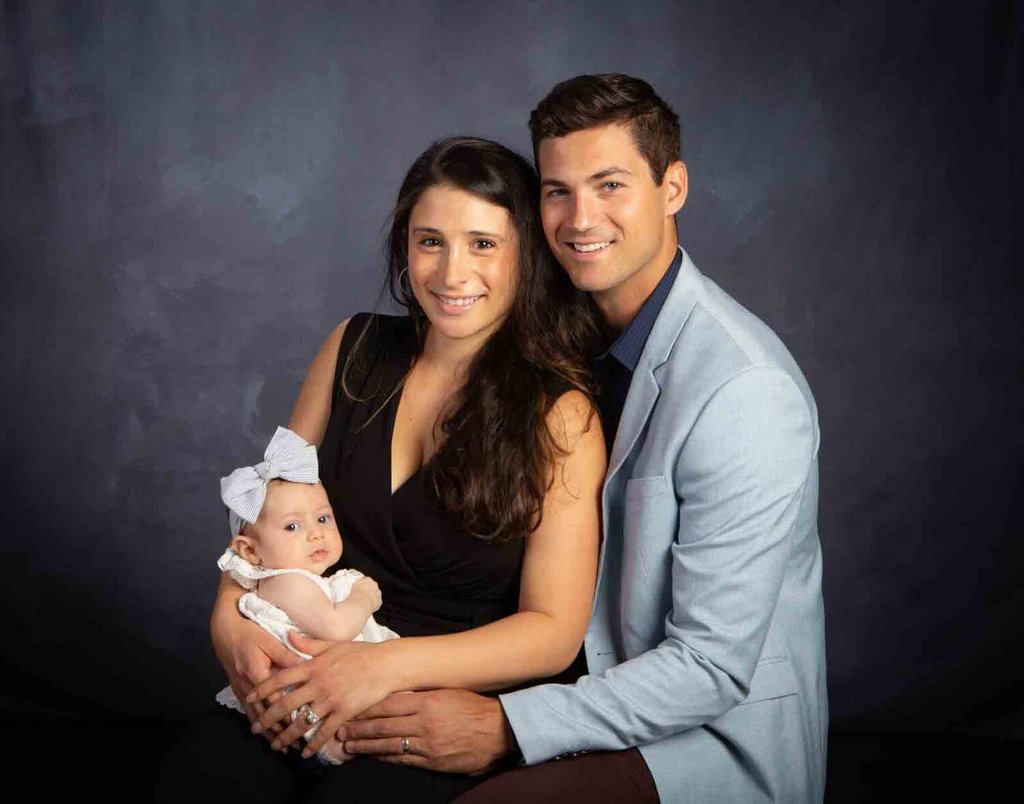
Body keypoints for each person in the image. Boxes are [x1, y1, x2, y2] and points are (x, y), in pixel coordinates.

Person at [337, 74, 828, 803]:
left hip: (699, 737)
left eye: (610, 186)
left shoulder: (744, 390)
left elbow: (711, 668)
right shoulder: (551, 326)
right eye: (557, 191)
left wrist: (507, 725)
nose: (579, 218)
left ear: (673, 188)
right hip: (571, 688)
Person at [156, 136, 606, 803]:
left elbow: (554, 633)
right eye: (431, 242)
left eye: (483, 244)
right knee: (197, 780)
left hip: (431, 707)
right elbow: (266, 510)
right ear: (405, 247)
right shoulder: (353, 348)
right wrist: (227, 616)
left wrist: (381, 667)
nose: (452, 273)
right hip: (304, 677)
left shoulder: (561, 416)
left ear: (526, 256)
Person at [213, 425, 398, 765]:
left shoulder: (301, 579)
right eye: (292, 526)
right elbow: (336, 628)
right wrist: (365, 596)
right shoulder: (286, 582)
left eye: (323, 518)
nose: (316, 534)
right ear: (250, 551)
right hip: (314, 706)